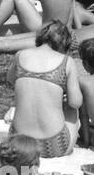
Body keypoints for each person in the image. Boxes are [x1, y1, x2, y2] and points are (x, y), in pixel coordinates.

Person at [9, 20, 81, 159]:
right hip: (54, 145)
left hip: (18, 144)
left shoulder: (20, 55)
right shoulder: (66, 62)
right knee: (71, 108)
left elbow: (11, 79)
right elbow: (76, 102)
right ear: (64, 43)